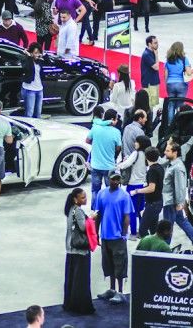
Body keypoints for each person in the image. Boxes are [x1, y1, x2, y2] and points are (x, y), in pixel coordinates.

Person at [92, 172, 133, 303]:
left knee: (119, 264)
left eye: (117, 179)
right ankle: (111, 289)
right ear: (108, 179)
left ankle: (120, 292)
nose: (115, 181)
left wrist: (124, 234)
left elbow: (127, 217)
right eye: (113, 179)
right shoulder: (101, 194)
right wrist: (96, 233)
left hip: (117, 237)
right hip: (105, 236)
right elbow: (98, 215)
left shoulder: (124, 196)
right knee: (108, 263)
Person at [162, 140, 193, 251]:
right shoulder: (171, 164)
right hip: (172, 201)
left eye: (167, 151)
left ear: (175, 152)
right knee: (182, 222)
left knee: (167, 225)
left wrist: (180, 202)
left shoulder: (177, 167)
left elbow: (180, 186)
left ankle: (164, 247)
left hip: (172, 201)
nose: (165, 153)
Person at [62, 188, 95, 315]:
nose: (85, 199)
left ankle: (70, 304)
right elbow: (83, 227)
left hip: (70, 249)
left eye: (85, 197)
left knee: (71, 279)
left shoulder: (70, 210)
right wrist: (91, 218)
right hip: (80, 251)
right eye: (82, 197)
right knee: (81, 280)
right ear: (75, 199)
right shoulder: (79, 211)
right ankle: (81, 306)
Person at [116, 134, 150, 238]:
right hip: (143, 186)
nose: (135, 143)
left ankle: (134, 233)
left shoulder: (136, 153)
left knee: (131, 211)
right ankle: (143, 231)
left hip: (132, 186)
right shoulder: (147, 154)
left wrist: (118, 166)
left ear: (140, 144)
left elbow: (126, 164)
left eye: (136, 142)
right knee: (140, 210)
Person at [86, 109, 122, 195]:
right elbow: (118, 147)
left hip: (95, 165)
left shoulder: (95, 128)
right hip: (109, 166)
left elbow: (87, 140)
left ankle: (95, 208)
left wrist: (96, 143)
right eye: (116, 119)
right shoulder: (116, 132)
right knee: (111, 191)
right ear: (113, 119)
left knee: (95, 190)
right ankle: (108, 208)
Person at [140, 35, 161, 107]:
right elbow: (156, 67)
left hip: (154, 82)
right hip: (149, 83)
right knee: (150, 105)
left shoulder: (151, 52)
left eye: (157, 42)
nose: (157, 44)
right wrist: (157, 55)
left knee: (153, 104)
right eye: (155, 43)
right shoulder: (147, 54)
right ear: (149, 44)